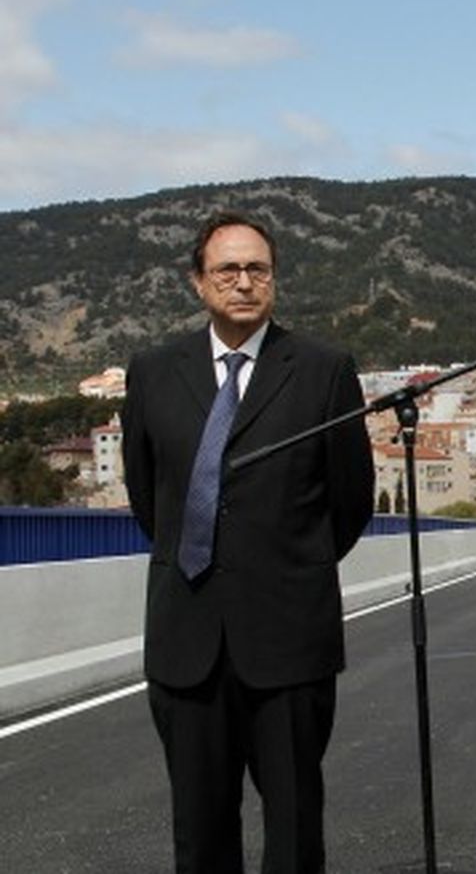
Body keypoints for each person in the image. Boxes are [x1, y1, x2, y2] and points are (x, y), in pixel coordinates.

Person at [122, 211, 375, 873]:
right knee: (199, 834)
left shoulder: (323, 371)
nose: (243, 283)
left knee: (294, 829)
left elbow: (349, 502)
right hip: (187, 640)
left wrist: (287, 568)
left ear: (275, 280)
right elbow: (151, 500)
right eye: (227, 270)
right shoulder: (152, 373)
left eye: (256, 269)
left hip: (290, 642)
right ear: (198, 282)